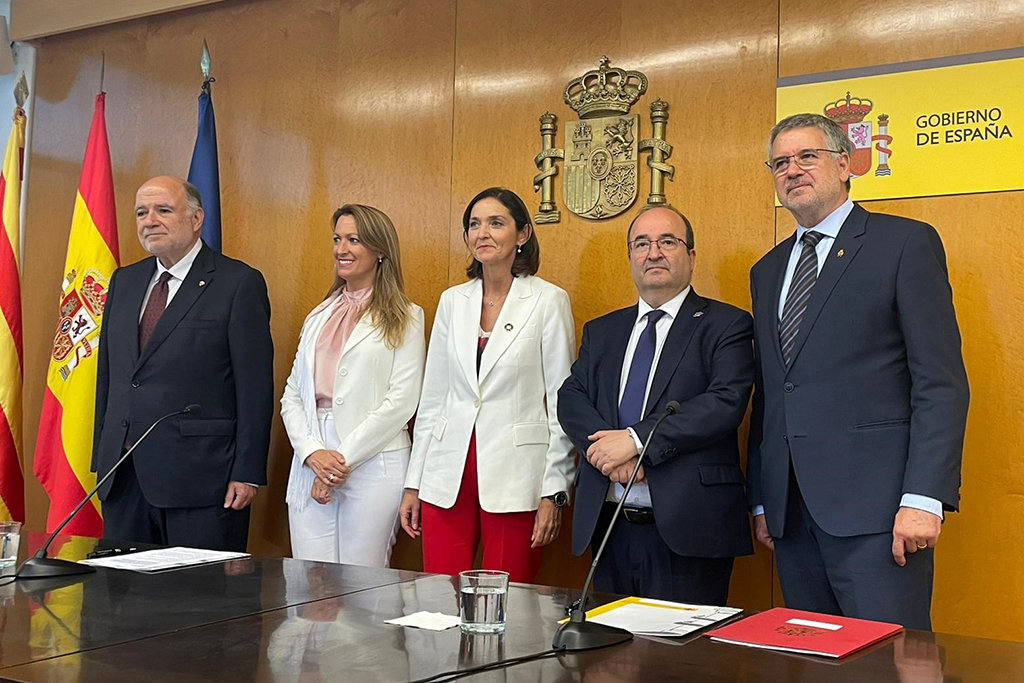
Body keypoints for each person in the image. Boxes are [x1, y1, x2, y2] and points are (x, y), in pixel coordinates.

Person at [748, 113, 969, 630]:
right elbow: (774, 392)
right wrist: (763, 496)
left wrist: (924, 497)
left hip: (881, 514)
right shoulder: (767, 271)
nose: (793, 170)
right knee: (813, 661)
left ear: (846, 164)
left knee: (891, 663)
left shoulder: (903, 244)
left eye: (808, 156)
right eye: (780, 162)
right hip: (792, 517)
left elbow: (940, 382)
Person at [558, 204, 754, 604]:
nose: (654, 252)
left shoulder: (726, 325)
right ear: (630, 257)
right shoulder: (603, 330)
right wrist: (608, 455)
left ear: (691, 256)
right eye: (641, 244)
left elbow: (724, 403)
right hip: (609, 526)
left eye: (667, 241)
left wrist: (634, 441)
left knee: (682, 663)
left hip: (690, 529)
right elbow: (571, 397)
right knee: (611, 657)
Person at [399, 187, 575, 583]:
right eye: (474, 224)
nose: (483, 233)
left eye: (496, 223)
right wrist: (414, 484)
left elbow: (562, 405)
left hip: (517, 478)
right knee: (439, 601)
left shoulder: (548, 300)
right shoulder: (452, 301)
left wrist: (554, 491)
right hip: (447, 475)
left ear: (523, 234)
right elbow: (433, 400)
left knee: (507, 608)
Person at [92, 176, 273, 552]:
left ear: (196, 218)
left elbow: (254, 388)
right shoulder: (125, 281)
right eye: (142, 212)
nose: (149, 220)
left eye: (163, 210)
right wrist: (102, 458)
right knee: (120, 602)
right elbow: (111, 378)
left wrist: (247, 471)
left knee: (199, 601)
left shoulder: (237, 282)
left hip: (202, 480)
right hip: (123, 477)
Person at [280, 204, 425, 566]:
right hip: (311, 455)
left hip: (374, 460)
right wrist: (313, 454)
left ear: (380, 251)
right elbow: (292, 395)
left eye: (354, 240)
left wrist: (339, 463)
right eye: (337, 239)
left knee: (363, 588)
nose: (341, 249)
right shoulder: (318, 314)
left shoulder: (407, 316)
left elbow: (402, 401)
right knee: (310, 584)